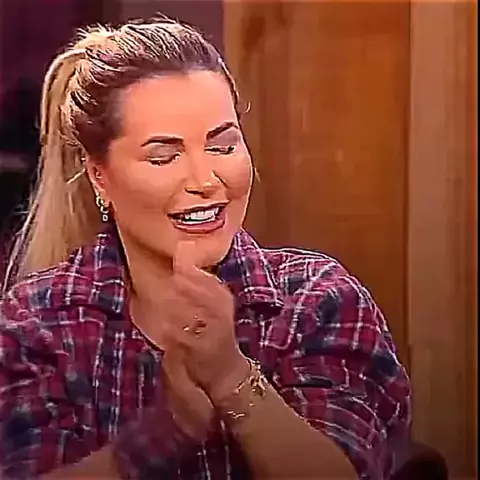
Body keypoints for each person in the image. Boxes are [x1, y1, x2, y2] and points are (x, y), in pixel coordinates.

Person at [0, 18, 411, 480]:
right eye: (164, 156)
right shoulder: (39, 323)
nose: (205, 180)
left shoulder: (318, 301)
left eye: (223, 146)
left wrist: (230, 375)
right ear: (100, 176)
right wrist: (164, 433)